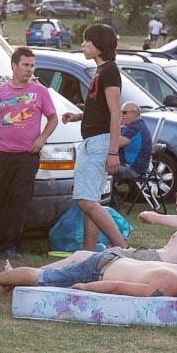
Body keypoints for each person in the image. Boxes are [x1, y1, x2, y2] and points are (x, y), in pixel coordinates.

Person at [0, 252, 177, 318]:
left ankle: (8, 282)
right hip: (99, 270)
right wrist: (85, 287)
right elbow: (117, 287)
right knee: (45, 278)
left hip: (113, 260)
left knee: (47, 277)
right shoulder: (167, 285)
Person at [0, 47, 58, 260]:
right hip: (1, 154)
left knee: (19, 201)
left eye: (32, 65)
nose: (29, 70)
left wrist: (41, 139)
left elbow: (53, 118)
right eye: (25, 65)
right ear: (14, 66)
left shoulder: (40, 91)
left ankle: (11, 246)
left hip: (27, 155)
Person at [61, 23, 129, 251]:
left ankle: (123, 248)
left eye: (87, 41)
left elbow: (115, 113)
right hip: (93, 140)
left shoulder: (109, 71)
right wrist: (78, 116)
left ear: (99, 45)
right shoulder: (101, 71)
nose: (82, 45)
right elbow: (101, 110)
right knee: (90, 200)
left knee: (85, 200)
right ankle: (88, 252)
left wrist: (113, 152)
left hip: (99, 142)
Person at [44, 186, 177, 271]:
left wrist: (146, 214)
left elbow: (157, 218)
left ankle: (39, 273)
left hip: (151, 261)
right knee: (98, 259)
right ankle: (42, 273)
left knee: (85, 256)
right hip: (155, 266)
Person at [117, 102, 152, 180]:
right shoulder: (133, 125)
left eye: (124, 112)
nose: (121, 115)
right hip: (131, 167)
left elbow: (115, 145)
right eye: (120, 112)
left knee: (97, 165)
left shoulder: (135, 127)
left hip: (132, 169)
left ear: (134, 113)